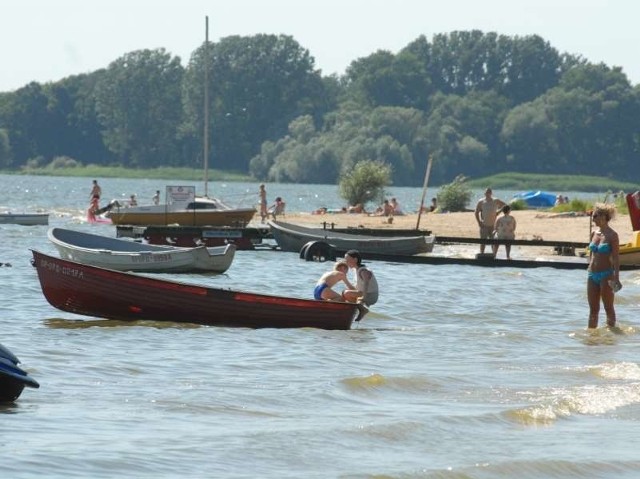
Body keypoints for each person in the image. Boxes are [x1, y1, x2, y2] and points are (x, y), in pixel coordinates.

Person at [587, 203, 621, 329]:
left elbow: (616, 258)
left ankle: (611, 336)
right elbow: (591, 253)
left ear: (603, 216)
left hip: (606, 275)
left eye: (594, 215)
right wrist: (589, 265)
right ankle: (591, 338)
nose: (593, 218)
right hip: (592, 275)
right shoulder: (593, 233)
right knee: (593, 310)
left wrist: (616, 278)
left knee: (608, 307)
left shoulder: (613, 235)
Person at [474, 188, 506, 254]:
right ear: (484, 193)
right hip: (484, 225)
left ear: (491, 193)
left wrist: (498, 212)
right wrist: (479, 222)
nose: (488, 194)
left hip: (493, 225)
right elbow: (476, 212)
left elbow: (505, 205)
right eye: (486, 192)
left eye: (489, 192)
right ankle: (482, 254)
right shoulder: (481, 201)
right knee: (483, 242)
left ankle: (493, 255)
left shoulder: (495, 200)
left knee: (493, 242)